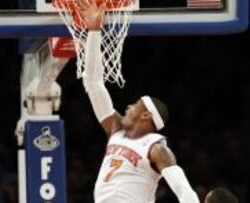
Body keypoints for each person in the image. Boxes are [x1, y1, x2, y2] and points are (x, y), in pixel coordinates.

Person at [77, 0, 200, 202]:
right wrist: (94, 31)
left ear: (146, 115)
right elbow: (92, 82)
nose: (128, 107)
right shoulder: (116, 130)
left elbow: (184, 190)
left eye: (135, 105)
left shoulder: (157, 148)